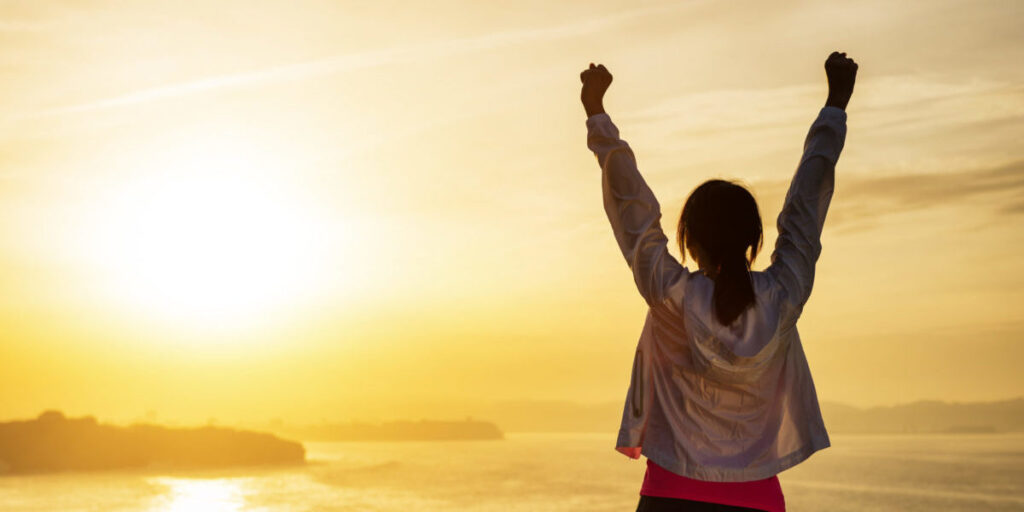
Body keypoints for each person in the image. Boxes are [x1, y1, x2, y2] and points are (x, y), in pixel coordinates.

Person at [580, 52, 858, 511]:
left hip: (670, 497)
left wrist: (597, 115)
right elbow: (806, 209)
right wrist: (836, 106)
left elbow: (633, 213)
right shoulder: (782, 297)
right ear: (754, 240)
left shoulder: (672, 297)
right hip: (757, 502)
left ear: (689, 239)